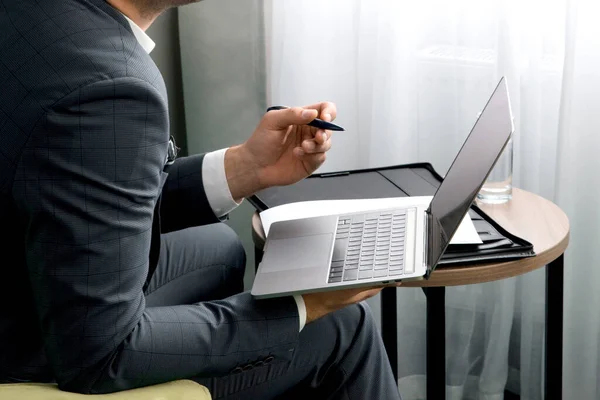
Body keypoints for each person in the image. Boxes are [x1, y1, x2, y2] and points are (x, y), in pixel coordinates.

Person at [0, 0, 402, 398]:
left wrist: (246, 167)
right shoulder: (109, 83)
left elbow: (78, 196)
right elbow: (101, 353)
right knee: (343, 328)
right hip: (36, 350)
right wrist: (305, 307)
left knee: (219, 246)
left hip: (27, 278)